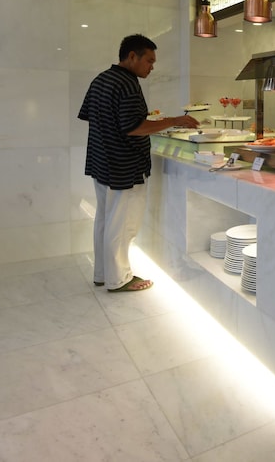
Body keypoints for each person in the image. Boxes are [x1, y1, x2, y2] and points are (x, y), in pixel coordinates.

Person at [78, 34, 199, 292]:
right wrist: (174, 120)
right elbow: (134, 127)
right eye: (149, 61)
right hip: (123, 165)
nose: (152, 67)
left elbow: (90, 115)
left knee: (105, 219)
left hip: (101, 162)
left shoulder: (100, 79)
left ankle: (103, 273)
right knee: (123, 225)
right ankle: (119, 279)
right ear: (132, 56)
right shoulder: (127, 83)